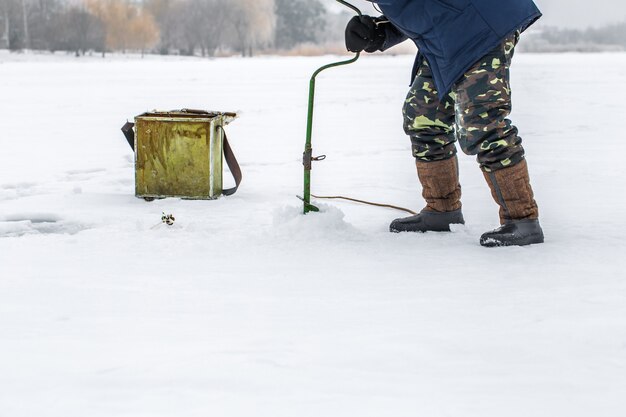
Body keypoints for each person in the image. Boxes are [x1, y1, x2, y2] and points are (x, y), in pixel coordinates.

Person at [345, 0, 544, 247]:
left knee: (483, 122)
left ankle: (522, 219)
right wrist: (379, 32)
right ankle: (442, 210)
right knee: (422, 114)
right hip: (446, 34)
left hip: (480, 23)